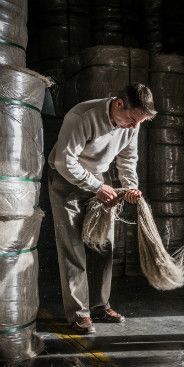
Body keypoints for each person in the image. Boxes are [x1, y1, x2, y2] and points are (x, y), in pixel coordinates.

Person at [48, 83, 157, 334]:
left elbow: (128, 159)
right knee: (73, 248)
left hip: (97, 180)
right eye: (130, 119)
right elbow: (65, 161)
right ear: (119, 103)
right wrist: (97, 186)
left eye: (138, 122)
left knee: (103, 244)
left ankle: (99, 306)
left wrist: (131, 187)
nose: (132, 126)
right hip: (66, 180)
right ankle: (79, 314)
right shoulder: (82, 116)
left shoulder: (133, 122)